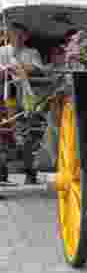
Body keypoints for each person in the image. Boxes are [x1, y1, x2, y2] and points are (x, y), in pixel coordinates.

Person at [0, 22, 47, 187]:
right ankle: (2, 175)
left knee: (29, 136)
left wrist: (19, 68)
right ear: (9, 36)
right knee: (5, 137)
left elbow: (39, 70)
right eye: (14, 35)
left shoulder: (32, 52)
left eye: (21, 35)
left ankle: (30, 172)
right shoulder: (3, 51)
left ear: (26, 37)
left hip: (26, 98)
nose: (18, 38)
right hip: (5, 98)